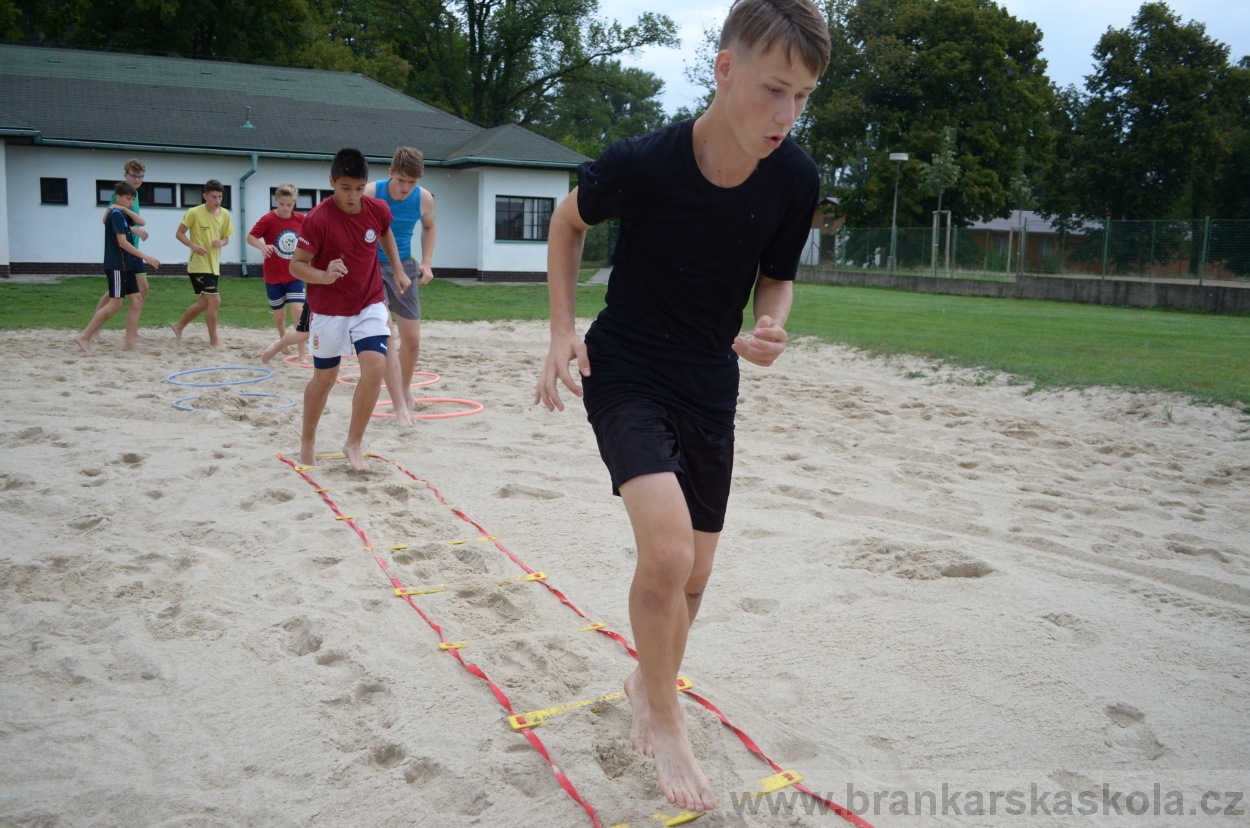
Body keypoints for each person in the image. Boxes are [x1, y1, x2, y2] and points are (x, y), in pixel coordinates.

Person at [533, 0, 830, 813]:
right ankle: (664, 710)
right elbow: (566, 223)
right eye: (774, 89)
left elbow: (778, 275)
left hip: (710, 381)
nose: (787, 114)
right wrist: (561, 330)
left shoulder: (795, 177)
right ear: (724, 69)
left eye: (802, 96)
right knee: (666, 556)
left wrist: (772, 322)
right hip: (625, 367)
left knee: (696, 574)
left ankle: (645, 676)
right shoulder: (647, 160)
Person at [291, 148, 408, 473]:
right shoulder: (318, 219)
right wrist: (324, 276)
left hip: (369, 302)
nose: (353, 196)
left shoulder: (377, 209)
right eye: (345, 189)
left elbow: (385, 233)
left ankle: (353, 443)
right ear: (332, 182)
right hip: (329, 309)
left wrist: (397, 270)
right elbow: (297, 266)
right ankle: (307, 441)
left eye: (359, 188)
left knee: (375, 366)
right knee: (324, 380)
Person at [365, 147, 436, 426]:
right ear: (391, 172)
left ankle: (405, 388)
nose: (406, 187)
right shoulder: (371, 192)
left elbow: (430, 227)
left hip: (406, 267)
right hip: (371, 268)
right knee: (388, 336)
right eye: (402, 180)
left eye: (413, 182)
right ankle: (399, 409)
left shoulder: (424, 198)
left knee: (413, 340)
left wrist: (427, 262)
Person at [73, 181, 161, 352]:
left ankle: (129, 343)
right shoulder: (114, 214)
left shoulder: (122, 214)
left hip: (126, 264)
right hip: (117, 265)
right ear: (117, 197)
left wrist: (126, 209)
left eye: (132, 199)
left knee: (136, 300)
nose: (130, 201)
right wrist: (146, 257)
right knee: (115, 304)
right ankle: (84, 336)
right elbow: (122, 243)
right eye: (127, 199)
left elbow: (142, 221)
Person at [91, 159, 150, 343]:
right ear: (125, 175)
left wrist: (134, 228)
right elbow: (108, 219)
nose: (138, 179)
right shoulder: (120, 194)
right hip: (123, 251)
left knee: (142, 289)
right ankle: (94, 329)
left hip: (133, 249)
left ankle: (132, 330)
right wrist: (134, 229)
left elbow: (131, 219)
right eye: (134, 175)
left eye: (140, 176)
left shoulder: (134, 195)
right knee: (115, 292)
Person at [247, 183, 307, 359]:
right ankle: (283, 340)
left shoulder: (301, 220)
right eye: (282, 204)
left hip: (295, 273)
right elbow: (250, 236)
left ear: (294, 203)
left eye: (289, 205)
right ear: (276, 201)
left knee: (298, 311)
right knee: (279, 316)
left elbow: (311, 237)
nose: (285, 208)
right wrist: (262, 246)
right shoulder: (268, 219)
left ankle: (303, 353)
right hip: (273, 275)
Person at [171, 179, 234, 346]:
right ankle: (214, 340)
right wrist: (193, 245)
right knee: (215, 300)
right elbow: (179, 233)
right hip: (198, 265)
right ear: (205, 196)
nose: (217, 200)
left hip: (214, 265)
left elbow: (226, 238)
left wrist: (222, 242)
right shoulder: (194, 212)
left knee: (204, 303)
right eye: (213, 196)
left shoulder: (225, 214)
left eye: (220, 197)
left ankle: (178, 326)